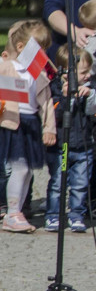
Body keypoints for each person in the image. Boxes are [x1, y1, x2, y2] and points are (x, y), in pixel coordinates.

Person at [0, 24, 57, 233]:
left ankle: (17, 210)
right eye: (40, 50)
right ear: (20, 47)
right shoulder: (6, 67)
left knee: (27, 172)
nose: (44, 55)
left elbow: (46, 102)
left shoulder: (39, 74)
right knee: (21, 168)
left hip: (31, 124)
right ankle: (12, 212)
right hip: (12, 124)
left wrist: (49, 128)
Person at [45, 45, 93, 232]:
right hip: (61, 146)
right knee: (58, 183)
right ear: (66, 73)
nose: (88, 76)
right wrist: (66, 98)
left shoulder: (89, 86)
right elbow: (53, 114)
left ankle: (77, 215)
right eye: (83, 72)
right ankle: (53, 215)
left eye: (89, 71)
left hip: (84, 145)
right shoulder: (55, 88)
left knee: (80, 184)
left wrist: (89, 96)